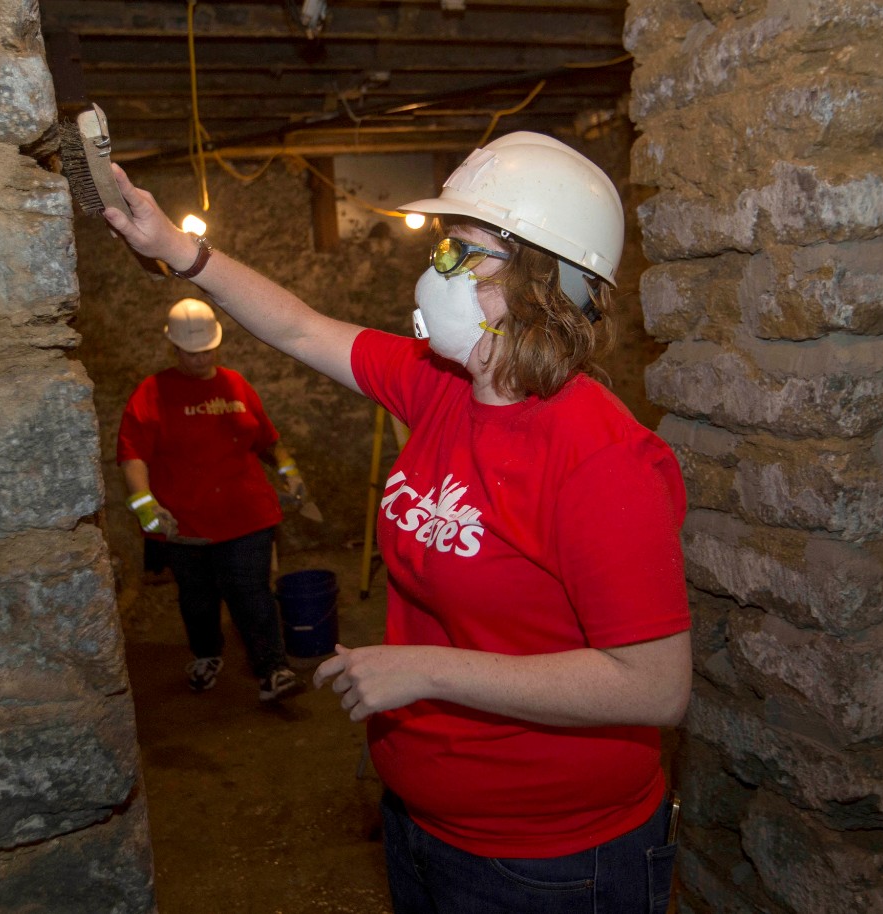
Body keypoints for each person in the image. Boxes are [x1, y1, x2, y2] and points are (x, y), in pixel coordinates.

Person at [105, 132, 692, 914]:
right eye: (444, 247)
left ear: (543, 283)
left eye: (464, 253)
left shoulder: (603, 458)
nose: (437, 270)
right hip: (420, 820)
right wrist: (179, 252)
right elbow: (301, 328)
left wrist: (427, 671)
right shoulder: (438, 385)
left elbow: (655, 687)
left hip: (551, 859)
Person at [118, 297, 308, 702]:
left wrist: (289, 470)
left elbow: (267, 440)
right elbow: (132, 456)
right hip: (188, 525)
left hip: (247, 516)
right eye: (192, 352)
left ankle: (273, 669)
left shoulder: (235, 385)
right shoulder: (152, 393)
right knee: (197, 599)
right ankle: (206, 654)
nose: (201, 358)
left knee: (252, 594)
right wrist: (145, 504)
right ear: (174, 347)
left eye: (207, 350)